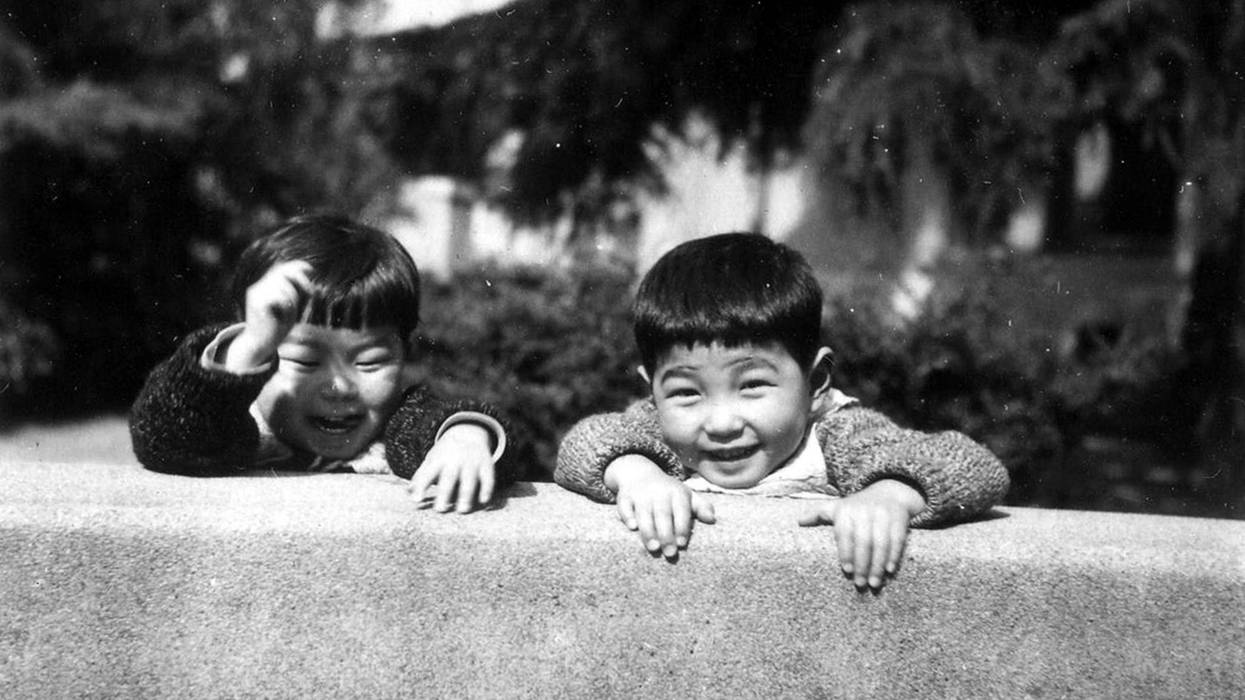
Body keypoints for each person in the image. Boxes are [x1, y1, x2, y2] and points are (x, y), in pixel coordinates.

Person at [555, 232, 1009, 589]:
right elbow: (585, 443)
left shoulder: (836, 431)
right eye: (687, 394)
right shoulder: (658, 434)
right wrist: (638, 475)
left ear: (816, 382)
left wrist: (888, 496)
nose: (722, 423)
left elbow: (973, 467)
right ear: (651, 391)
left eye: (752, 385)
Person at [131, 214, 511, 514]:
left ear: (403, 355)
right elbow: (163, 436)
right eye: (305, 359)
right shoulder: (237, 431)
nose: (339, 386)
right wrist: (251, 345)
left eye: (369, 362)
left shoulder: (397, 431)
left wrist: (465, 439)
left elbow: (444, 421)